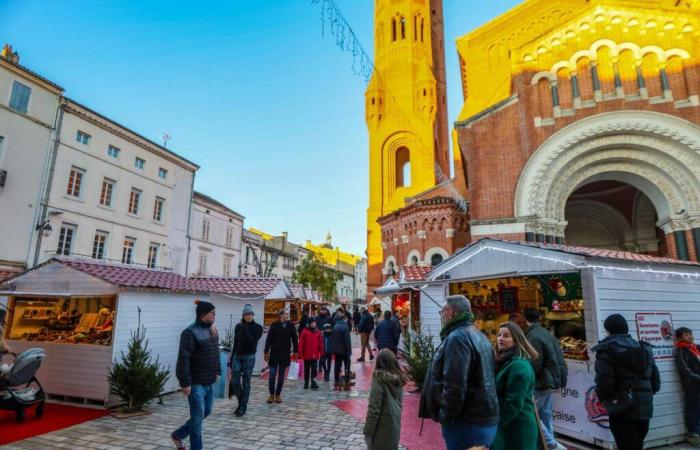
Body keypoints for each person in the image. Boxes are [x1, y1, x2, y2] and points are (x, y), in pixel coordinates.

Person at [419, 295, 499, 450]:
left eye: (441, 311)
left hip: (467, 423)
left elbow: (455, 385)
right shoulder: (479, 335)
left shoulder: (458, 338)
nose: (441, 316)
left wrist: (446, 418)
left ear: (450, 312)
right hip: (480, 419)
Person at [593, 314, 661, 450]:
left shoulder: (606, 351)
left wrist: (604, 398)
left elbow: (604, 381)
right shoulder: (644, 349)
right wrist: (644, 395)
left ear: (608, 331)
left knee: (625, 444)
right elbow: (656, 382)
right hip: (644, 407)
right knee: (637, 444)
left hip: (621, 407)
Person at [171, 301, 220, 450]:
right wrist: (185, 382)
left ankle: (179, 434)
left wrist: (218, 371)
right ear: (202, 314)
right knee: (197, 420)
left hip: (209, 381)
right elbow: (183, 358)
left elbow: (215, 352)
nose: (215, 315)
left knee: (207, 411)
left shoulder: (212, 330)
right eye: (212, 313)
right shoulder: (190, 332)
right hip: (196, 383)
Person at [522, 308, 568, 450]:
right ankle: (549, 443)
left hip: (541, 381)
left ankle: (551, 444)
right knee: (545, 415)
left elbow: (534, 361)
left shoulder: (533, 336)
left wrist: (527, 378)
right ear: (540, 318)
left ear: (525, 319)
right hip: (551, 380)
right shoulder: (545, 333)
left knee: (532, 414)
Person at [491, 322, 539, 450]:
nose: (501, 338)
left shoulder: (519, 366)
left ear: (516, 340)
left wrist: (495, 424)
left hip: (517, 427)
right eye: (499, 335)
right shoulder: (503, 361)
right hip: (507, 424)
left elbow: (513, 403)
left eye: (506, 336)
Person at [363, 349, 406, 450]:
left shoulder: (379, 379)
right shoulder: (398, 380)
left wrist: (368, 432)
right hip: (394, 426)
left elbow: (374, 409)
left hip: (380, 429)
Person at [228, 303, 263, 417]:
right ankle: (241, 403)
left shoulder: (257, 328)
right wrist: (232, 358)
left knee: (246, 382)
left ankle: (242, 407)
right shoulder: (238, 327)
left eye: (251, 314)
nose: (249, 316)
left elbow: (253, 342)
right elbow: (236, 343)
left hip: (249, 357)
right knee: (235, 382)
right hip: (237, 356)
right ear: (243, 315)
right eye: (247, 314)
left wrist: (246, 328)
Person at [264, 309, 299, 403]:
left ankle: (278, 394)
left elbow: (295, 339)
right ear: (281, 315)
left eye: (288, 314)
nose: (287, 316)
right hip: (274, 353)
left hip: (285, 353)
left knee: (281, 376)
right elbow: (269, 339)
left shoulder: (291, 326)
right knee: (272, 375)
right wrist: (266, 351)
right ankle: (271, 394)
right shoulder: (274, 325)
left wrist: (296, 351)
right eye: (285, 314)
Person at [675, 327, 700, 446]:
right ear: (679, 338)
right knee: (692, 410)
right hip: (692, 386)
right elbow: (685, 370)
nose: (690, 336)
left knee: (698, 410)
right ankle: (692, 433)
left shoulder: (695, 348)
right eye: (686, 335)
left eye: (690, 334)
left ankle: (698, 432)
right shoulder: (681, 351)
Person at [299, 318, 323, 390]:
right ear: (309, 324)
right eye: (312, 323)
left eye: (315, 323)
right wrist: (300, 353)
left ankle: (313, 382)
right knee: (306, 370)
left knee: (314, 370)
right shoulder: (304, 331)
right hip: (306, 354)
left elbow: (320, 343)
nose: (314, 324)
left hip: (315, 354)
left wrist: (322, 352)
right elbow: (301, 343)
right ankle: (306, 382)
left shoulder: (318, 332)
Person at [331, 311, 352, 391]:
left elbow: (332, 339)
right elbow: (347, 341)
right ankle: (346, 381)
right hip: (344, 351)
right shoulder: (345, 327)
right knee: (347, 365)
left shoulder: (335, 327)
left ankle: (336, 381)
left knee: (337, 366)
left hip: (336, 351)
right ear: (343, 319)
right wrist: (349, 351)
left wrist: (333, 349)